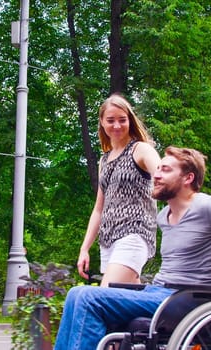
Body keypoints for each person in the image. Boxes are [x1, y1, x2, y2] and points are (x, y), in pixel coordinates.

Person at [54, 146, 211, 350]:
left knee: (85, 296)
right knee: (77, 294)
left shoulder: (210, 206)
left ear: (188, 178)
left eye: (165, 170)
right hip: (159, 292)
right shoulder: (164, 216)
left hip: (184, 299)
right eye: (157, 169)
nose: (156, 175)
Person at [78, 93, 161, 287]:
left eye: (122, 120)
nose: (116, 125)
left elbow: (161, 174)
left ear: (130, 121)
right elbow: (99, 209)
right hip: (108, 241)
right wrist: (85, 248)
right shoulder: (104, 160)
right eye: (110, 120)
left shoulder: (141, 150)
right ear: (102, 122)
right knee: (126, 303)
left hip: (134, 234)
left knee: (103, 297)